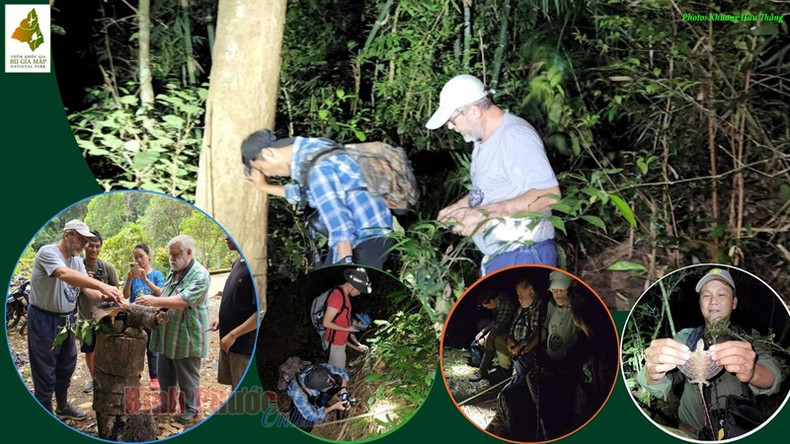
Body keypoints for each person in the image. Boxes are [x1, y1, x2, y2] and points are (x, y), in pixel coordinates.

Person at [426, 74, 562, 275]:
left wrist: (484, 214)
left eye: (453, 120)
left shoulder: (514, 136)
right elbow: (491, 189)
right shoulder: (483, 141)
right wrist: (461, 207)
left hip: (524, 254)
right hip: (503, 256)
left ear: (473, 112)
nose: (450, 126)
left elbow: (549, 195)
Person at [638, 268, 782, 440]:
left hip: (739, 430)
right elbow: (661, 385)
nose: (713, 301)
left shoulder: (750, 337)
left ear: (734, 302)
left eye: (722, 294)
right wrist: (653, 373)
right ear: (699, 303)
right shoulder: (686, 337)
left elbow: (774, 375)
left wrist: (752, 372)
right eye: (706, 295)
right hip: (688, 433)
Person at [242, 129, 394, 269]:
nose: (267, 174)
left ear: (269, 154)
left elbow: (338, 218)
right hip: (376, 232)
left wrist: (345, 262)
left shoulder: (317, 168)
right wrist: (265, 187)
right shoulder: (315, 148)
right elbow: (313, 195)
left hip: (364, 239)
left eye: (262, 168)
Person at [27, 219, 121, 420]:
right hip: (44, 318)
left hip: (68, 319)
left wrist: (102, 294)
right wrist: (102, 285)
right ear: (67, 235)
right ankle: (44, 415)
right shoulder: (48, 252)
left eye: (86, 242)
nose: (84, 246)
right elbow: (63, 273)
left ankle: (62, 407)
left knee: (66, 365)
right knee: (45, 371)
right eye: (81, 240)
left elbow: (86, 290)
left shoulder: (77, 260)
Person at [135, 235, 210, 424]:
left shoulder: (200, 274)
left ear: (189, 252)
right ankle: (166, 404)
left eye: (175, 254)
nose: (172, 258)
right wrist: (149, 288)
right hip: (168, 333)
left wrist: (154, 301)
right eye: (170, 254)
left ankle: (191, 409)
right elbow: (166, 293)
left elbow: (184, 300)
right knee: (165, 371)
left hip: (187, 335)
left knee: (187, 375)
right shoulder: (175, 272)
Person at [526, 269, 584, 439]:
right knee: (531, 379)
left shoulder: (578, 309)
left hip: (565, 365)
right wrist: (529, 347)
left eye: (561, 290)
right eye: (554, 290)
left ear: (570, 288)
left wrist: (558, 364)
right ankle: (544, 420)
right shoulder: (551, 304)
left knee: (558, 395)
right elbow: (545, 330)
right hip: (549, 356)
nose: (557, 294)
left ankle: (556, 427)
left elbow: (582, 343)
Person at [496, 279, 546, 440]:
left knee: (519, 383)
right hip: (516, 348)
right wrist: (510, 341)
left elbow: (537, 333)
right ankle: (511, 378)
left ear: (531, 292)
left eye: (520, 294)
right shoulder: (522, 308)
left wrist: (522, 347)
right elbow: (512, 326)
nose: (518, 298)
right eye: (517, 295)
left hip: (527, 352)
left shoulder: (538, 307)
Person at [209, 236, 258, 389]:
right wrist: (220, 317)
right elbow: (235, 296)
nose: (225, 237)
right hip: (229, 341)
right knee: (235, 387)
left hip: (242, 344)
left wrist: (233, 335)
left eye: (230, 234)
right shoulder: (237, 263)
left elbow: (260, 313)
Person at [75, 230, 119, 394]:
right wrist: (83, 281)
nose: (94, 249)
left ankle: (110, 377)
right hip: (85, 318)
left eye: (98, 246)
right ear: (85, 246)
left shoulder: (107, 267)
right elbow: (69, 292)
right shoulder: (77, 267)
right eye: (91, 245)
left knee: (109, 349)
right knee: (90, 350)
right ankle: (96, 380)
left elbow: (116, 290)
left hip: (106, 319)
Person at [122, 242, 165, 390]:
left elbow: (161, 293)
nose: (139, 260)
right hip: (135, 318)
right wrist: (128, 280)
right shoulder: (133, 277)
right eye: (136, 257)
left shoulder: (156, 275)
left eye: (141, 256)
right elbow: (126, 295)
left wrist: (146, 280)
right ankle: (136, 376)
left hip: (152, 318)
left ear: (149, 256)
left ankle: (155, 377)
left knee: (152, 349)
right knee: (135, 348)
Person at [322, 267, 372, 369]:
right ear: (352, 285)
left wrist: (356, 345)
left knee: (339, 373)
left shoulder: (345, 297)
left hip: (339, 342)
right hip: (334, 344)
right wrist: (348, 329)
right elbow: (326, 323)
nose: (359, 293)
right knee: (340, 374)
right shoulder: (337, 297)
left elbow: (342, 322)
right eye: (359, 290)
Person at [287, 363, 351, 432]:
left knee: (338, 380)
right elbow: (311, 415)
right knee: (303, 425)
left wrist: (344, 389)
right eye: (328, 387)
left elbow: (343, 373)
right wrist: (334, 407)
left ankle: (321, 404)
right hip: (304, 399)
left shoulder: (322, 369)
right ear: (319, 389)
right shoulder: (297, 392)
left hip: (317, 393)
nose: (332, 386)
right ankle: (316, 407)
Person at [469, 290, 515, 383]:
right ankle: (486, 358)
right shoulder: (497, 302)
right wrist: (483, 331)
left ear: (492, 301)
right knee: (483, 324)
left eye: (488, 306)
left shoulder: (506, 305)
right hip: (501, 325)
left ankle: (483, 369)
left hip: (510, 329)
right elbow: (495, 321)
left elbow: (498, 326)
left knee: (491, 337)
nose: (488, 309)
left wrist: (485, 339)